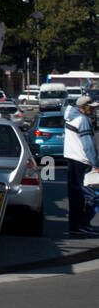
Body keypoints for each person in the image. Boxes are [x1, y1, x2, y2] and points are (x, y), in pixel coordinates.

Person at [63, 95, 98, 235]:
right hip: (83, 162)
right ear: (83, 107)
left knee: (75, 195)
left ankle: (75, 226)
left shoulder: (70, 117)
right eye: (91, 107)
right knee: (92, 196)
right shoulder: (83, 120)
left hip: (71, 159)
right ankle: (83, 224)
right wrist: (95, 164)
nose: (94, 110)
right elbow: (88, 145)